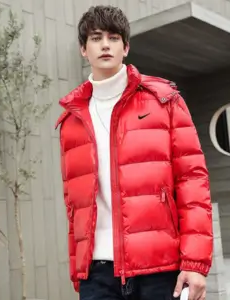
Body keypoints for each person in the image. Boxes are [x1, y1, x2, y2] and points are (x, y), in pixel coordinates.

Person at [56, 5, 213, 300]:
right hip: (97, 273)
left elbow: (192, 183)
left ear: (125, 47)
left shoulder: (164, 100)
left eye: (114, 38)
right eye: (96, 37)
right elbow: (74, 206)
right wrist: (78, 268)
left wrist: (195, 263)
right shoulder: (71, 120)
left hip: (158, 268)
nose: (105, 44)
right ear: (83, 49)